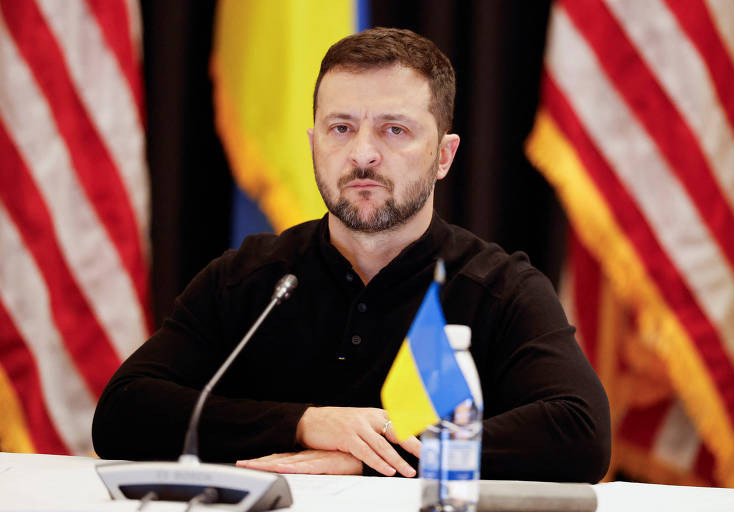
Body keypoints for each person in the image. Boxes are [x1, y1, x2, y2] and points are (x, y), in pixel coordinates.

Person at [92, 27, 611, 483]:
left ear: (444, 156)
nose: (363, 153)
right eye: (341, 128)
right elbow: (122, 413)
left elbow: (580, 434)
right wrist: (306, 422)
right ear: (315, 143)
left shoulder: (498, 288)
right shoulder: (250, 278)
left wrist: (368, 457)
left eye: (394, 129)